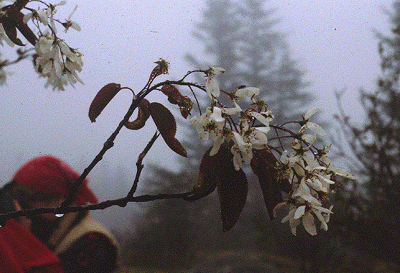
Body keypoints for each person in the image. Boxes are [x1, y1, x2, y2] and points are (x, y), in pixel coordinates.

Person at [0, 155, 119, 273]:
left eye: (28, 204)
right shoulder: (50, 229)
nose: (22, 212)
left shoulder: (93, 241)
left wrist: (24, 241)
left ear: (59, 199)